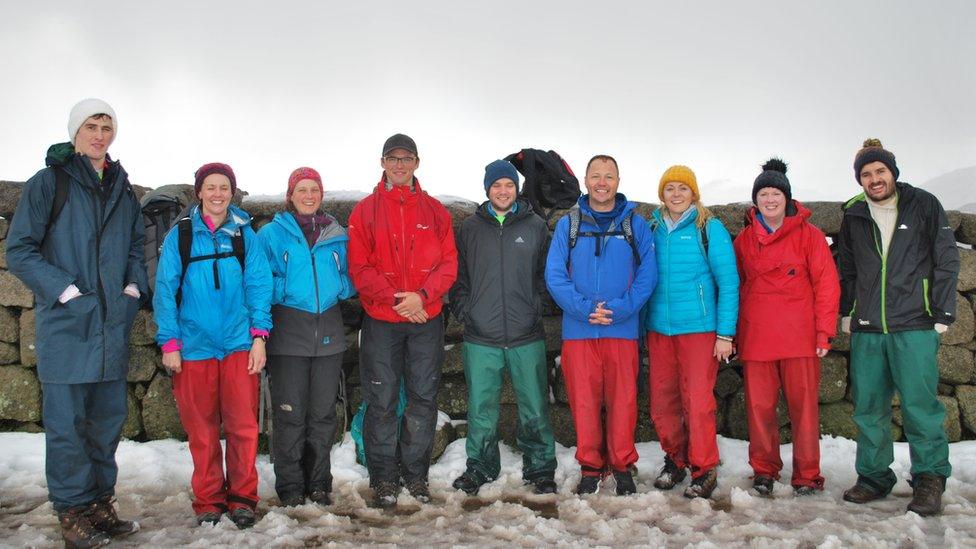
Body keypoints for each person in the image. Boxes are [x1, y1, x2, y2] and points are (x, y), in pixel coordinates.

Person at [6, 98, 146, 547]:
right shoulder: (50, 183)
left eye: (107, 126)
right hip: (68, 325)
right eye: (92, 125)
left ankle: (100, 503)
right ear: (75, 132)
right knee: (66, 426)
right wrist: (64, 290)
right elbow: (20, 250)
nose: (100, 134)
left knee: (106, 422)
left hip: (111, 326)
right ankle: (71, 511)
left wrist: (132, 289)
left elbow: (136, 248)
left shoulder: (123, 188)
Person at [837, 139, 959, 516]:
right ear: (860, 180)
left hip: (915, 323)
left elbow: (946, 259)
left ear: (892, 172)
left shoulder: (923, 204)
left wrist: (942, 312)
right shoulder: (854, 214)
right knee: (869, 406)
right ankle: (874, 476)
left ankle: (929, 478)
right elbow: (847, 269)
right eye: (866, 174)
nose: (874, 179)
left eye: (880, 171)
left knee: (920, 405)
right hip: (869, 326)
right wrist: (847, 312)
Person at [153, 162, 273, 528]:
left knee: (242, 427)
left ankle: (242, 498)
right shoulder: (182, 236)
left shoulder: (244, 235)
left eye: (224, 187)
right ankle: (208, 499)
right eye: (211, 187)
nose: (217, 194)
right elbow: (164, 290)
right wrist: (169, 342)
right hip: (194, 347)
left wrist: (259, 337)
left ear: (231, 193)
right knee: (202, 429)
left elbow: (259, 287)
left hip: (238, 345)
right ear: (199, 192)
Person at [347, 133, 458, 507]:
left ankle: (415, 476)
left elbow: (448, 264)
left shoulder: (435, 212)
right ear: (382, 163)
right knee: (381, 399)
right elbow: (359, 268)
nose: (399, 165)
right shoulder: (365, 211)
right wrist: (399, 300)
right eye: (392, 159)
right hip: (381, 319)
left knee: (423, 400)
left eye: (406, 158)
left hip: (425, 318)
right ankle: (383, 478)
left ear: (416, 163)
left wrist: (421, 298)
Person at [545, 155, 657, 496]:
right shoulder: (570, 224)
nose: (602, 182)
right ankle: (591, 467)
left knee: (623, 400)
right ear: (586, 179)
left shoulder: (635, 225)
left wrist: (621, 310)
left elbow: (647, 275)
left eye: (609, 176)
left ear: (618, 181)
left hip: (620, 329)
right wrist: (583, 309)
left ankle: (623, 466)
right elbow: (554, 274)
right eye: (596, 176)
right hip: (580, 330)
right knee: (584, 401)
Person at [449, 160, 557, 496]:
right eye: (497, 186)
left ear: (516, 188)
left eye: (509, 185)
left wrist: (536, 307)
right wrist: (466, 311)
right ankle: (480, 467)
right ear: (487, 190)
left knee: (535, 406)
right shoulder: (470, 229)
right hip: (481, 335)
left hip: (526, 334)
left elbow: (546, 274)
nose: (503, 190)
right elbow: (458, 277)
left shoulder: (536, 226)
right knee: (481, 409)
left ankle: (540, 468)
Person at [733, 159, 839, 497]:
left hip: (800, 337)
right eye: (763, 193)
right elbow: (733, 285)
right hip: (757, 334)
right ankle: (764, 470)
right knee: (760, 409)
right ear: (756, 200)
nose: (769, 199)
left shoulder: (810, 237)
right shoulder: (745, 240)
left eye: (775, 193)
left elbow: (826, 285)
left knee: (803, 409)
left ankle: (807, 474)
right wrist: (732, 334)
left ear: (787, 197)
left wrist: (824, 332)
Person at [257, 167, 355, 507]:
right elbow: (258, 279)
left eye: (314, 189)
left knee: (323, 415)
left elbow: (351, 275)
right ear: (291, 195)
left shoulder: (336, 234)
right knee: (289, 414)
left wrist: (338, 287)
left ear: (321, 194)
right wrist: (287, 290)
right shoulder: (271, 234)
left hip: (328, 332)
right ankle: (290, 486)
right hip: (288, 334)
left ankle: (319, 483)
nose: (309, 195)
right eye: (302, 189)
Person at [641, 165, 738, 499]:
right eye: (670, 188)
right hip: (659, 329)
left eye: (683, 188)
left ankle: (704, 467)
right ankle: (675, 460)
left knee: (697, 402)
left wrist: (725, 333)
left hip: (699, 328)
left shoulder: (708, 228)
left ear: (694, 193)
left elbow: (728, 282)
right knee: (663, 401)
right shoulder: (652, 227)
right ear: (661, 194)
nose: (677, 194)